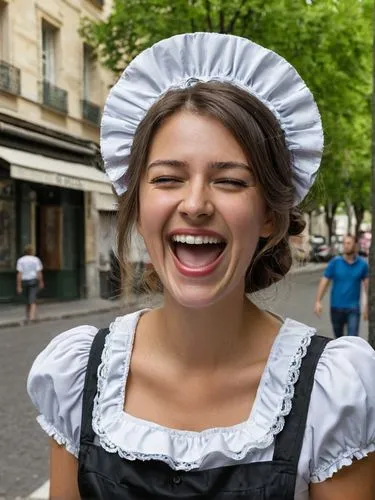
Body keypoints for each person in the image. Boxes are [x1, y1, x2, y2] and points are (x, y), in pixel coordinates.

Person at [27, 33, 375, 500]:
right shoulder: (77, 376)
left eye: (230, 181)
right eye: (167, 179)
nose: (194, 204)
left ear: (270, 215)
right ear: (138, 201)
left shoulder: (333, 394)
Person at [314, 234, 369, 338]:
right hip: (336, 308)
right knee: (339, 339)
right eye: (344, 243)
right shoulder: (335, 263)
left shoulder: (362, 265)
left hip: (353, 309)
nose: (346, 245)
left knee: (352, 339)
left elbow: (367, 287)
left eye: (349, 243)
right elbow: (324, 282)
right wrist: (318, 301)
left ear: (356, 245)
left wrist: (367, 307)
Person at [16, 244, 44, 323]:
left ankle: (28, 316)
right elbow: (38, 272)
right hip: (33, 280)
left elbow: (19, 273)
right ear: (32, 251)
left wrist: (18, 285)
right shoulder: (35, 260)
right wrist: (41, 281)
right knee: (33, 299)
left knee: (27, 300)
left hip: (24, 281)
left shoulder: (21, 260)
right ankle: (32, 317)